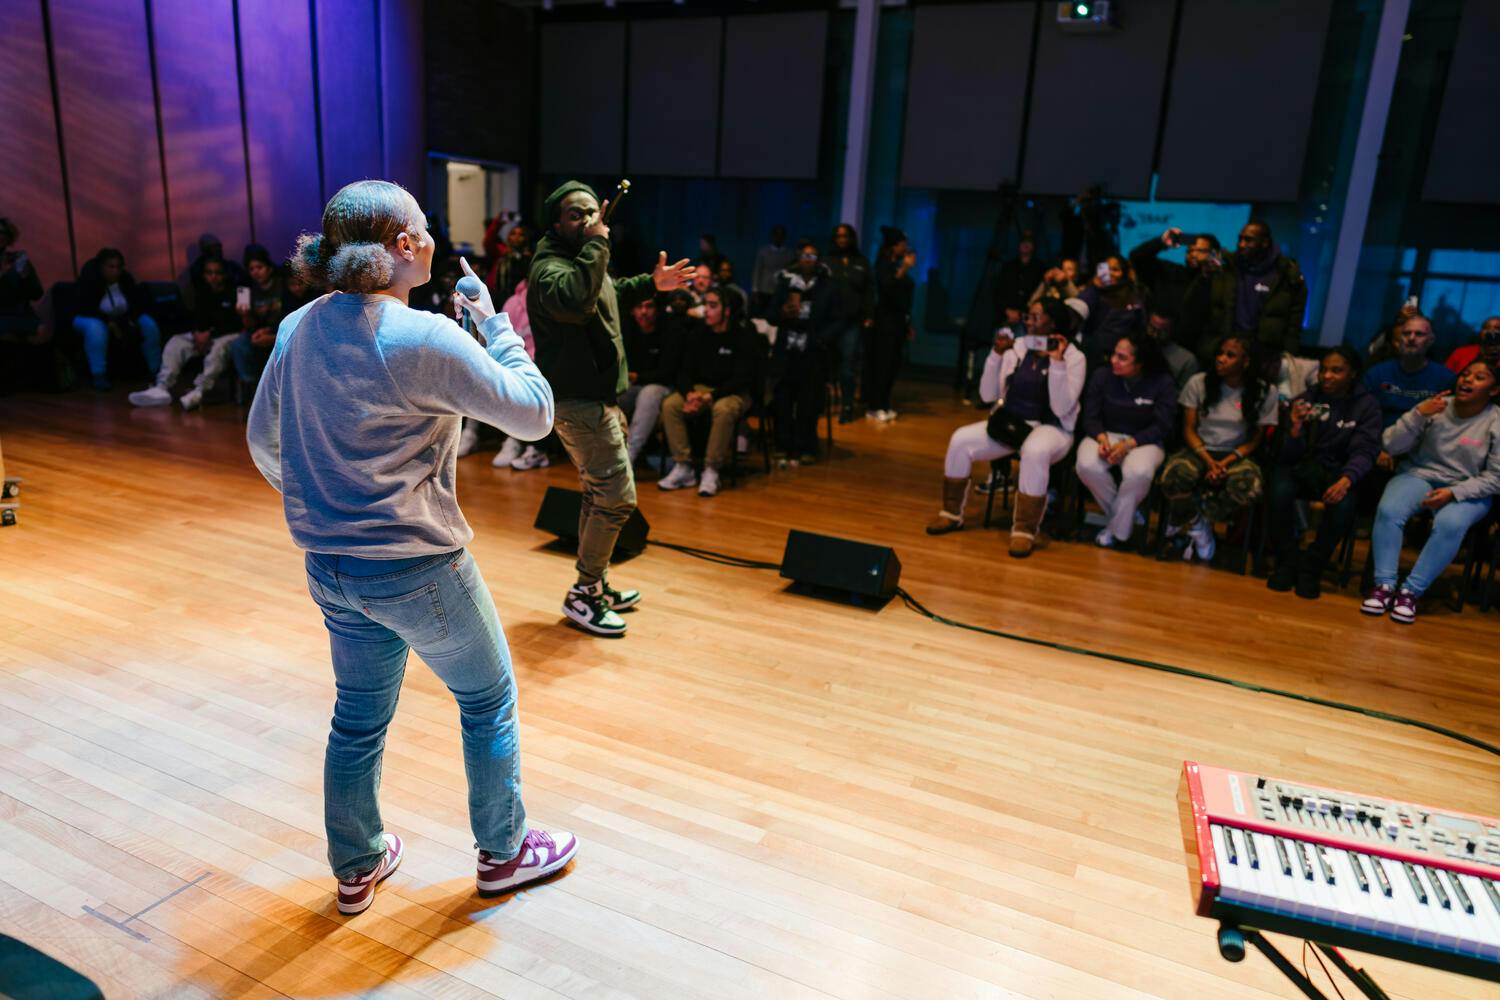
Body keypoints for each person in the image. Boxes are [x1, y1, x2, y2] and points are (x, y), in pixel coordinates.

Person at [244, 179, 573, 915]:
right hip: (419, 568)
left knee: (357, 717)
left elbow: (264, 443)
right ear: (402, 247)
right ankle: (506, 851)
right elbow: (535, 415)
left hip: (330, 568)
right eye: (422, 229)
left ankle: (356, 867)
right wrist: (496, 328)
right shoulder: (425, 336)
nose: (430, 239)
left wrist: (324, 505)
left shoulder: (299, 327)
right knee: (487, 699)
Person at [528, 180, 695, 637]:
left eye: (589, 212)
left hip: (598, 397)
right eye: (574, 215)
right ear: (556, 223)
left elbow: (608, 292)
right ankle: (583, 594)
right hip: (578, 403)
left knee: (597, 495)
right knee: (617, 499)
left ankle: (595, 582)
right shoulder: (550, 267)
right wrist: (598, 242)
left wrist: (652, 284)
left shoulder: (582, 258)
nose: (585, 220)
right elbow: (580, 300)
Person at [927, 298, 1086, 558]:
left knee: (1034, 450)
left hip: (1053, 427)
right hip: (1013, 424)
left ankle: (1024, 530)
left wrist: (1057, 363)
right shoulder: (1019, 347)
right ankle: (951, 513)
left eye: (1036, 317)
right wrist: (996, 356)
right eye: (1028, 317)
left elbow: (1061, 408)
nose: (1029, 323)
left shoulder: (1074, 357)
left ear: (1053, 322)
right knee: (960, 439)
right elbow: (988, 395)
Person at [1362, 359, 1500, 624]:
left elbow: (1496, 477)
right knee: (1390, 510)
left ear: (1494, 390)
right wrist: (1417, 416)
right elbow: (1390, 445)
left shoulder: (1496, 422)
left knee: (1450, 523)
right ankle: (1384, 586)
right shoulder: (1435, 406)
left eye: (1479, 378)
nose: (1467, 380)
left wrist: (1454, 493)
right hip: (1420, 474)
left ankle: (1410, 593)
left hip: (1470, 488)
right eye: (1465, 374)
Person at [1265, 346, 1382, 598]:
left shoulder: (1366, 405)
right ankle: (1288, 560)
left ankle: (1312, 567)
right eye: (1324, 370)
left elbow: (1365, 450)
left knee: (1344, 505)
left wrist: (1347, 479)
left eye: (1336, 371)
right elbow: (1286, 455)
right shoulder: (1305, 399)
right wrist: (1295, 428)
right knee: (1278, 490)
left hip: (1342, 470)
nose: (1327, 376)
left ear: (1352, 374)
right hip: (1306, 465)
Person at [1159, 335, 1279, 562]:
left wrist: (1224, 463)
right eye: (1220, 353)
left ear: (1246, 362)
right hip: (1200, 449)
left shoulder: (1265, 391)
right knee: (1174, 476)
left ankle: (1197, 518)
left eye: (1230, 355)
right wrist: (1208, 460)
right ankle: (1197, 524)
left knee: (1248, 487)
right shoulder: (1199, 382)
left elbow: (1256, 438)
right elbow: (1188, 428)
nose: (1221, 359)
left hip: (1237, 453)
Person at [1075, 332, 1177, 549]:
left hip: (1144, 440)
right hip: (1106, 433)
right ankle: (1126, 517)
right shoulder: (1102, 376)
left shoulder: (1162, 382)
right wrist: (1103, 440)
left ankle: (1117, 530)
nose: (1113, 360)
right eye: (1114, 354)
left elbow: (1162, 426)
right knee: (1086, 465)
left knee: (1139, 472)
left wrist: (1129, 444)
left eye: (1122, 358)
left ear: (1140, 363)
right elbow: (1090, 417)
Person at [657, 288, 760, 497]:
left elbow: (742, 379)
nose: (707, 311)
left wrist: (710, 397)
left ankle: (711, 469)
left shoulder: (743, 335)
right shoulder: (698, 333)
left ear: (727, 311)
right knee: (670, 405)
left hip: (735, 392)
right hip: (702, 390)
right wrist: (689, 395)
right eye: (706, 305)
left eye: (713, 306)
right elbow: (684, 371)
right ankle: (683, 466)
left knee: (723, 409)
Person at [129, 257, 245, 410]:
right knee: (176, 342)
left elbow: (237, 323)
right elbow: (197, 317)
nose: (213, 277)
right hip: (205, 335)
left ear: (224, 274)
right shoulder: (201, 292)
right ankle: (162, 387)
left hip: (228, 334)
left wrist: (209, 334)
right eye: (209, 273)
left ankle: (199, 391)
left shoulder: (240, 290)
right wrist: (197, 333)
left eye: (217, 273)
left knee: (218, 349)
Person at [1192, 220, 1307, 366]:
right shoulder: (1225, 266)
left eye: (1248, 240)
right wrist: (1204, 276)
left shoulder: (1286, 275)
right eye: (1240, 239)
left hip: (1264, 356)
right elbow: (1197, 308)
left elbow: (1294, 324)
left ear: (1265, 242)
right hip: (1223, 350)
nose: (1241, 244)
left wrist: (1288, 357)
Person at [770, 239, 837, 464]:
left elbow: (837, 319)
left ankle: (806, 445)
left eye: (813, 256)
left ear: (818, 261)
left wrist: (821, 338)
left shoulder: (827, 285)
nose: (808, 260)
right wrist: (783, 311)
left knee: (809, 401)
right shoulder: (785, 282)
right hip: (787, 350)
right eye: (804, 256)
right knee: (784, 399)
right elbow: (770, 314)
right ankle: (783, 444)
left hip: (813, 352)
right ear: (798, 259)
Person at [72, 247, 163, 390]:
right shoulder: (89, 280)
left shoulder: (125, 279)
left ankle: (156, 370)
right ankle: (99, 375)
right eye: (111, 267)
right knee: (96, 329)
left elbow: (136, 303)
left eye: (118, 267)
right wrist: (108, 322)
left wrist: (131, 319)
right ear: (101, 266)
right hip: (88, 317)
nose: (115, 271)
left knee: (149, 325)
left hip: (121, 317)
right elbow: (86, 307)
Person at [1361, 313, 1455, 429]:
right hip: (1378, 440)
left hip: (1424, 441)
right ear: (1399, 339)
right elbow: (1363, 417)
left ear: (1430, 340)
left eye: (1419, 334)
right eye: (1406, 333)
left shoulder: (1445, 379)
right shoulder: (1376, 374)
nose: (1411, 338)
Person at [617, 295, 679, 466]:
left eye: (649, 306)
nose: (644, 312)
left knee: (648, 394)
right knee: (614, 394)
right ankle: (608, 451)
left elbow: (669, 371)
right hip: (636, 383)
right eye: (639, 307)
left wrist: (638, 376)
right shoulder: (628, 328)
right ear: (632, 310)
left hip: (665, 385)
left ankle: (629, 457)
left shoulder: (670, 329)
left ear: (657, 309)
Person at [864, 227, 915, 422]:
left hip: (899, 323)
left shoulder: (896, 265)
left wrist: (909, 323)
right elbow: (888, 286)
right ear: (894, 246)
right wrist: (905, 268)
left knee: (893, 364)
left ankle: (884, 403)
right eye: (903, 244)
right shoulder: (883, 265)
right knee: (882, 365)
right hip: (885, 323)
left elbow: (904, 296)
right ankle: (874, 406)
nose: (906, 248)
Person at [825, 224, 874, 423]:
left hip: (852, 323)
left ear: (851, 238)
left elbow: (869, 291)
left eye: (845, 236)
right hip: (829, 321)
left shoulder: (861, 262)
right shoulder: (827, 261)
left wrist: (869, 315)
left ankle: (847, 406)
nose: (842, 239)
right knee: (825, 366)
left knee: (847, 367)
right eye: (838, 236)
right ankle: (821, 405)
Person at [1127, 228, 1219, 334]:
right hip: (1159, 339)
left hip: (1198, 345)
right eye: (1190, 250)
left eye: (1201, 251)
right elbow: (1136, 257)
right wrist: (1161, 242)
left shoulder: (1222, 282)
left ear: (1215, 254)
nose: (1193, 254)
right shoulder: (1171, 273)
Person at [229, 244, 286, 396]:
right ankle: (254, 388)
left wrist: (271, 333)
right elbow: (249, 325)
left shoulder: (281, 283)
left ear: (269, 267)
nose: (256, 272)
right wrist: (244, 315)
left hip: (279, 330)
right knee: (239, 345)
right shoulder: (246, 288)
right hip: (258, 331)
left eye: (259, 267)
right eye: (251, 269)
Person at [1078, 254, 1146, 364]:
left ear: (1124, 273)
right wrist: (1094, 288)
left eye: (1115, 269)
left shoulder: (1131, 298)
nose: (1109, 273)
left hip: (1112, 359)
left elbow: (1138, 329)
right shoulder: (1092, 290)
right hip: (1083, 352)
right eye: (1105, 268)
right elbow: (1078, 313)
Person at [993, 231, 1044, 332]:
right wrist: (1007, 310)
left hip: (1028, 319)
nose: (1025, 244)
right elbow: (998, 291)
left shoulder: (1040, 268)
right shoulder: (1008, 267)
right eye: (1023, 241)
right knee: (1001, 344)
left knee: (1022, 345)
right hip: (1005, 317)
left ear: (1034, 246)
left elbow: (1040, 294)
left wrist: (1022, 313)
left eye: (1029, 242)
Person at [1144, 310, 1199, 389]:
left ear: (1173, 330)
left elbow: (1182, 396)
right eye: (1152, 328)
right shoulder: (1135, 347)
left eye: (1162, 331)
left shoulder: (1187, 360)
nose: (1155, 335)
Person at [751, 225, 794, 318]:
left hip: (780, 290)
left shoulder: (789, 253)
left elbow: (791, 273)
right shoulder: (763, 251)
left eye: (781, 235)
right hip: (764, 289)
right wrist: (755, 290)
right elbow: (757, 271)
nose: (779, 237)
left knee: (777, 315)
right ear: (772, 236)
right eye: (776, 234)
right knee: (762, 315)